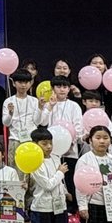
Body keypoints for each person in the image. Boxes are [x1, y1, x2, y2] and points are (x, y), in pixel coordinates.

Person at [39, 75, 84, 214]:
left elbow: (78, 127)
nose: (62, 89)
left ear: (69, 89)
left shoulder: (74, 106)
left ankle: (73, 208)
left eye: (65, 86)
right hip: (52, 150)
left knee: (70, 179)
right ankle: (59, 207)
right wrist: (50, 107)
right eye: (58, 86)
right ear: (53, 89)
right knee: (56, 177)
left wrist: (71, 142)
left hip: (70, 149)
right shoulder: (49, 105)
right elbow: (43, 122)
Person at [0, 69, 39, 166]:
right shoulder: (8, 101)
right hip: (15, 140)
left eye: (26, 82)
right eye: (20, 82)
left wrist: (41, 109)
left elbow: (37, 122)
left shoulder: (34, 101)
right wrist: (10, 113)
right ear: (14, 83)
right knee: (14, 169)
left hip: (31, 139)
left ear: (30, 83)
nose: (23, 85)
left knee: (31, 168)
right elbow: (5, 123)